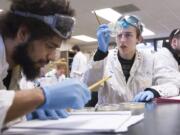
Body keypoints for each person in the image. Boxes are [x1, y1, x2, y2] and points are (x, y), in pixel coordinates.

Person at [0, 0, 91, 130]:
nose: (53, 57)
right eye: (49, 46)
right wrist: (40, 96)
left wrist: (23, 109)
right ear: (23, 33)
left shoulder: (16, 65)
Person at [83, 15, 179, 105]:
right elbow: (88, 85)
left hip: (140, 116)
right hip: (110, 117)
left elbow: (174, 84)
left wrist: (155, 91)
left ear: (138, 39)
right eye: (119, 35)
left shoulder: (151, 59)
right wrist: (100, 53)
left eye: (128, 35)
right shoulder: (103, 58)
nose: (122, 40)